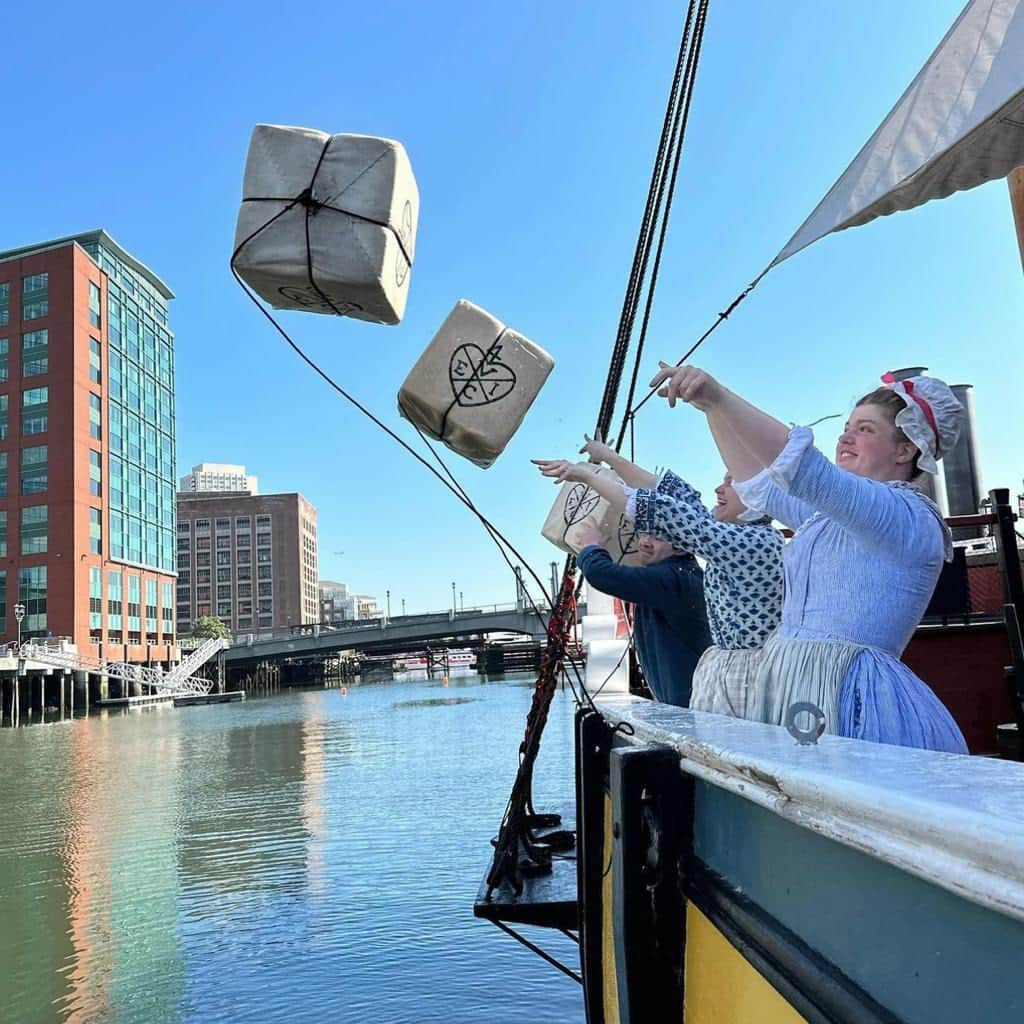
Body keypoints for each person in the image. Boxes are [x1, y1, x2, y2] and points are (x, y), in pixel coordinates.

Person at [650, 361, 968, 754]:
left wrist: (719, 395)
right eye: (846, 429)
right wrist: (711, 410)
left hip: (850, 693)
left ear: (906, 449)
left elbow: (807, 470)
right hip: (793, 680)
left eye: (865, 430)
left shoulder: (909, 516)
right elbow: (757, 486)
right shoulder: (827, 518)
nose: (845, 439)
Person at [534, 438, 781, 714]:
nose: (718, 488)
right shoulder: (728, 540)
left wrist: (588, 483)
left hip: (745, 684)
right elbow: (668, 494)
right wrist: (610, 458)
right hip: (728, 678)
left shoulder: (751, 543)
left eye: (731, 481)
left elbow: (663, 512)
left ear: (757, 493)